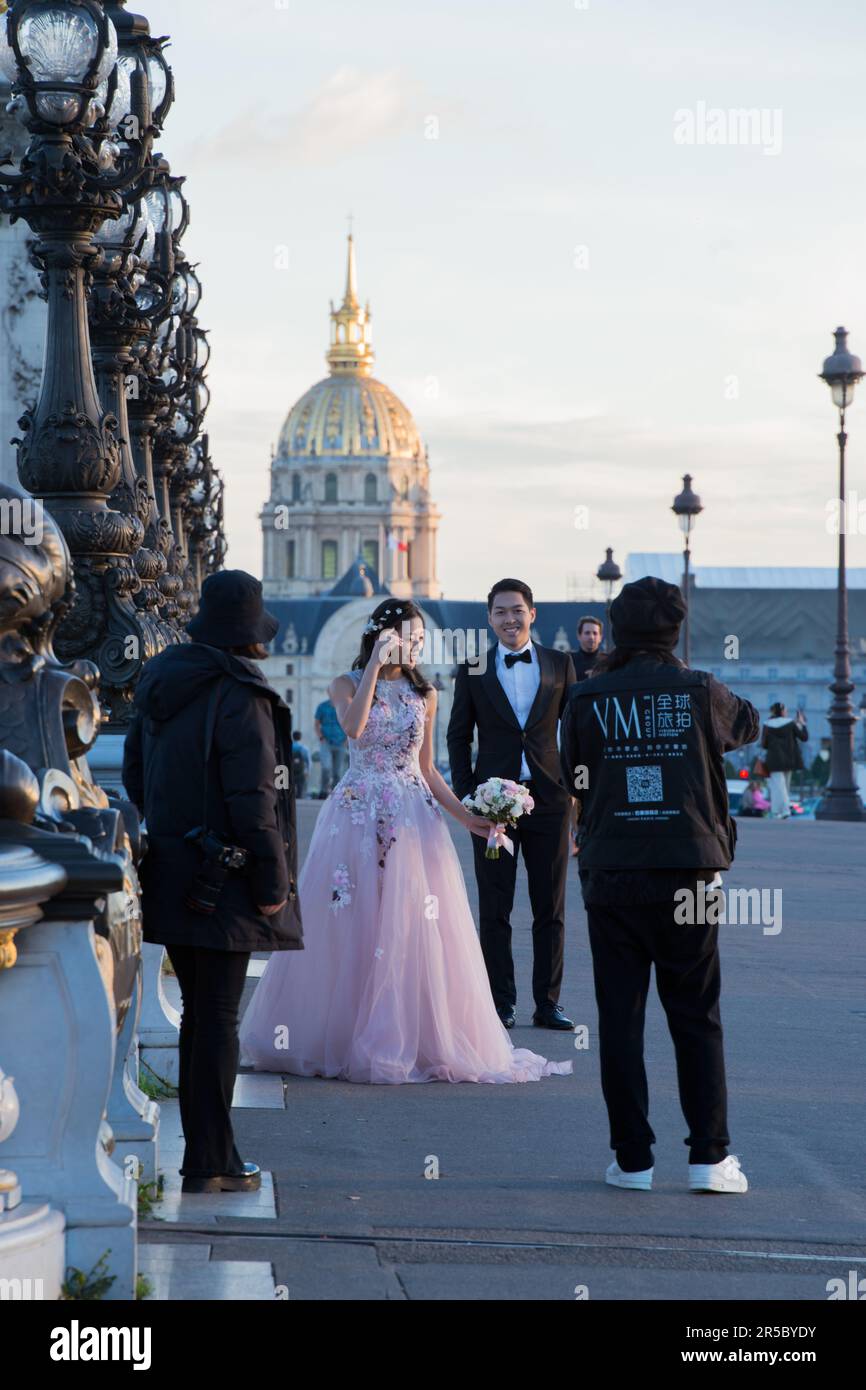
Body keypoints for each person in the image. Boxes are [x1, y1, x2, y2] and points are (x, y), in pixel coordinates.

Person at [240, 598, 572, 1086]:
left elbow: (429, 769)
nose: (416, 646)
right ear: (381, 638)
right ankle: (340, 1033)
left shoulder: (427, 693)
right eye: (407, 637)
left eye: (420, 638)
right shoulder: (346, 684)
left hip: (413, 817)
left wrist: (470, 819)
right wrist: (374, 666)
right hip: (355, 814)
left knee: (411, 926)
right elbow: (352, 729)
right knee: (351, 924)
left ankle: (410, 1036)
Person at [560, 576, 760, 1194]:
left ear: (615, 631)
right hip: (687, 870)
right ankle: (709, 1157)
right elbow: (747, 725)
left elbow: (573, 773)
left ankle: (633, 1160)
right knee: (696, 1015)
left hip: (613, 872)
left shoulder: (587, 697)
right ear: (675, 631)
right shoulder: (699, 689)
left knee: (620, 1020)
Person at [122, 570, 302, 1194]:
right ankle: (213, 1161)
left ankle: (208, 1155)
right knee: (219, 1018)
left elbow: (135, 778)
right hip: (225, 878)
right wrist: (274, 880)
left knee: (200, 1017)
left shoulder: (160, 679)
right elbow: (256, 798)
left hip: (172, 869)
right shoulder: (241, 695)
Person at [447, 579, 577, 1031]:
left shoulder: (561, 664)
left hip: (550, 800)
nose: (509, 619)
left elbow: (575, 730)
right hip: (491, 806)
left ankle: (549, 1003)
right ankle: (500, 1004)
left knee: (551, 906)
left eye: (517, 610)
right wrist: (469, 795)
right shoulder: (474, 668)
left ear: (532, 614)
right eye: (500, 612)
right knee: (495, 908)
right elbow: (458, 735)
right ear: (489, 618)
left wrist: (575, 791)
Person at [761, 703, 808, 818]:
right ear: (782, 712)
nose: (787, 712)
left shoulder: (767, 724)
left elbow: (764, 744)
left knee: (778, 786)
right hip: (789, 759)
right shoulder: (790, 723)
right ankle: (782, 810)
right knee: (784, 787)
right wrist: (802, 724)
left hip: (774, 760)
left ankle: (779, 811)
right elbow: (803, 737)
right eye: (786, 710)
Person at [314, 693, 348, 798]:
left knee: (337, 771)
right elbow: (316, 723)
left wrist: (347, 740)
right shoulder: (322, 706)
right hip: (326, 742)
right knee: (326, 767)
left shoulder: (345, 706)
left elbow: (349, 722)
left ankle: (335, 793)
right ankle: (323, 791)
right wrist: (320, 737)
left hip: (341, 743)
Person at [572, 615, 604, 680]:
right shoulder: (570, 661)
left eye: (595, 633)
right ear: (579, 635)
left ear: (600, 637)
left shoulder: (608, 662)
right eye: (587, 633)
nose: (591, 637)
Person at [291, 730, 311, 800]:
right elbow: (308, 761)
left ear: (292, 737)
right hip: (300, 771)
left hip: (290, 770)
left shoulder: (290, 746)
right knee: (300, 787)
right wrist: (308, 771)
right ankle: (299, 797)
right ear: (301, 737)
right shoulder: (304, 748)